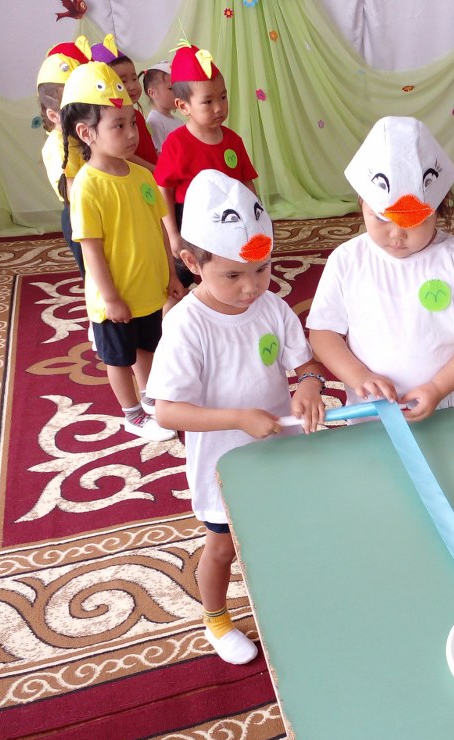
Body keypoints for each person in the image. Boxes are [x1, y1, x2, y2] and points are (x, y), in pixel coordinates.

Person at [148, 171, 325, 665]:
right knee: (223, 546)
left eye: (262, 269)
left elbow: (305, 364)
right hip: (222, 463)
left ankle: (284, 598)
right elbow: (166, 410)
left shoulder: (272, 307)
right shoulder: (187, 325)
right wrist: (239, 418)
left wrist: (310, 384)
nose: (251, 287)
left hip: (277, 451)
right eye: (232, 275)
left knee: (280, 531)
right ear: (192, 263)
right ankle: (217, 618)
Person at [307, 116, 454, 422]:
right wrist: (358, 377)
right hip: (372, 411)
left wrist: (438, 387)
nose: (396, 234)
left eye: (414, 221)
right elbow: (323, 332)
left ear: (437, 209)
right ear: (361, 203)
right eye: (381, 218)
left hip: (445, 407)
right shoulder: (347, 260)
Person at [61, 61, 184, 441]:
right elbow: (92, 250)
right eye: (119, 126)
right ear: (87, 133)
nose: (132, 133)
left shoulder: (143, 176)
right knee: (119, 357)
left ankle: (149, 397)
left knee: (147, 346)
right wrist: (111, 298)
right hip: (114, 297)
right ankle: (132, 414)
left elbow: (158, 228)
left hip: (148, 289)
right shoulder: (87, 186)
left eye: (132, 123)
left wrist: (170, 273)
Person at [155, 41, 259, 288]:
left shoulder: (233, 140)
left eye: (223, 97)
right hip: (190, 219)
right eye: (208, 101)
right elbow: (164, 190)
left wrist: (255, 217)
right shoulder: (176, 143)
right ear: (183, 106)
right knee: (187, 276)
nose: (219, 107)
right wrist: (173, 234)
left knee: (228, 271)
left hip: (230, 217)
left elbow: (246, 182)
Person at [37, 39, 89, 278]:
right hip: (79, 216)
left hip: (97, 208)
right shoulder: (57, 147)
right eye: (75, 110)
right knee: (93, 272)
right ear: (53, 115)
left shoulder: (79, 137)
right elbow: (74, 191)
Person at [89, 34, 159, 171]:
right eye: (122, 81)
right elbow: (127, 157)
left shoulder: (136, 115)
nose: (132, 86)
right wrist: (154, 170)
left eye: (134, 78)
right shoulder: (110, 123)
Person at [142, 60, 183, 153]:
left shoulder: (178, 121)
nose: (178, 92)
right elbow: (160, 154)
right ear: (152, 93)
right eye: (171, 88)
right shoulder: (154, 121)